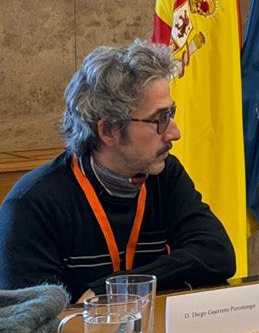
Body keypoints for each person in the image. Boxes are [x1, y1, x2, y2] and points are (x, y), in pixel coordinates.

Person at [0, 41, 235, 299]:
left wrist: (108, 290)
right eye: (159, 119)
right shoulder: (32, 203)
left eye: (171, 113)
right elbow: (29, 321)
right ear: (108, 131)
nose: (174, 132)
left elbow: (217, 254)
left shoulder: (165, 174)